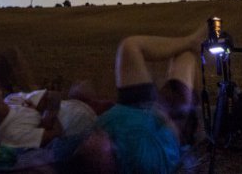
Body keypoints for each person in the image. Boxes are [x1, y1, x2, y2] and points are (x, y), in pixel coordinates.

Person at [66, 22, 207, 174]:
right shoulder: (144, 161)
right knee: (186, 58)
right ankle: (193, 47)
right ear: (106, 161)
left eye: (87, 143)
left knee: (128, 46)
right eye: (92, 145)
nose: (89, 139)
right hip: (161, 116)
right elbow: (171, 136)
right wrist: (161, 111)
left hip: (129, 106)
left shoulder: (89, 148)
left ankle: (191, 41)